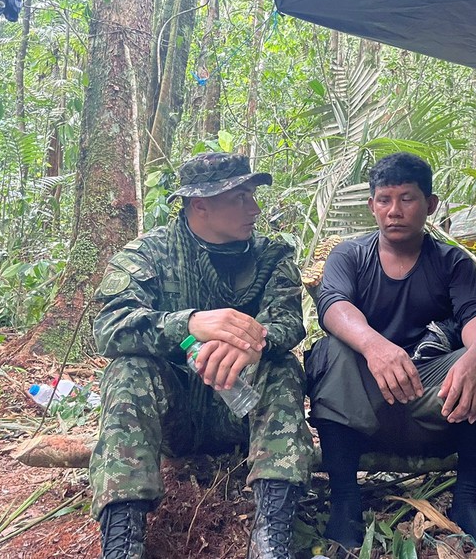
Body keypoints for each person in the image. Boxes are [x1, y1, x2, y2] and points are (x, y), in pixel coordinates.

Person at [89, 153, 314, 559]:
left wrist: (246, 342)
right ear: (200, 205)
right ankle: (122, 537)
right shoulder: (150, 254)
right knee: (128, 370)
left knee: (281, 366)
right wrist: (188, 324)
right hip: (173, 416)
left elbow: (288, 323)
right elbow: (107, 329)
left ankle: (272, 536)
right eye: (241, 197)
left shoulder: (271, 256)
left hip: (240, 412)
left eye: (253, 196)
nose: (255, 208)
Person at [306, 152, 476, 548]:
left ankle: (466, 501)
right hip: (365, 403)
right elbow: (333, 306)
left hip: (434, 402)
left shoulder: (451, 263)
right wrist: (375, 346)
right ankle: (345, 502)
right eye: (384, 199)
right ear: (371, 204)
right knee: (330, 352)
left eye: (407, 199)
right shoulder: (350, 255)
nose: (395, 211)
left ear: (430, 205)